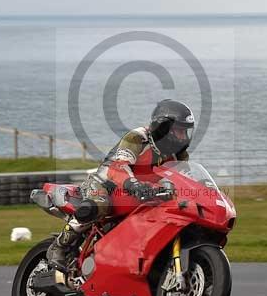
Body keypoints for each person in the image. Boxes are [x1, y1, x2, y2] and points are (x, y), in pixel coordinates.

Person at [47, 99, 195, 271]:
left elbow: (185, 179)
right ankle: (60, 246)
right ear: (164, 127)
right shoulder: (137, 138)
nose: (183, 137)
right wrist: (133, 184)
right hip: (107, 184)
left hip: (142, 192)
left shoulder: (178, 155)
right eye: (179, 131)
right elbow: (118, 166)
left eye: (186, 132)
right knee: (98, 204)